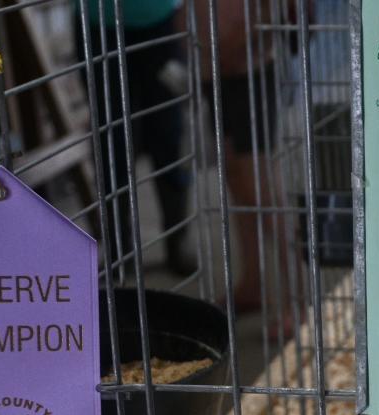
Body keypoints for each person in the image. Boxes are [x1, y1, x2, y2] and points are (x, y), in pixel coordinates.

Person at [183, 0, 312, 341]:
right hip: (218, 69)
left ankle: (298, 300)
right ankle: (252, 284)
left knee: (261, 187)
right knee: (239, 182)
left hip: (246, 67)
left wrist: (235, 43)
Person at [80, 0, 196, 277]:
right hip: (97, 23)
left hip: (160, 20)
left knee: (168, 134)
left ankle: (178, 238)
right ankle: (120, 250)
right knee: (111, 142)